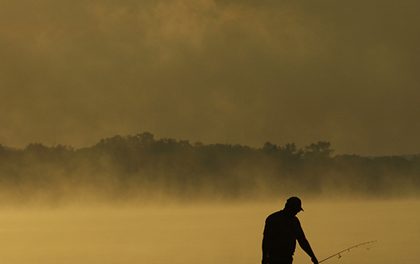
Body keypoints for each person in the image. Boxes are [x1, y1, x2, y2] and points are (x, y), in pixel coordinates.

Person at [262, 197, 318, 264]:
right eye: (297, 210)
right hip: (275, 258)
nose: (297, 212)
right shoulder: (276, 219)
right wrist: (264, 258)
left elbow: (302, 240)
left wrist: (312, 256)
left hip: (286, 258)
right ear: (291, 208)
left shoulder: (274, 218)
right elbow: (266, 240)